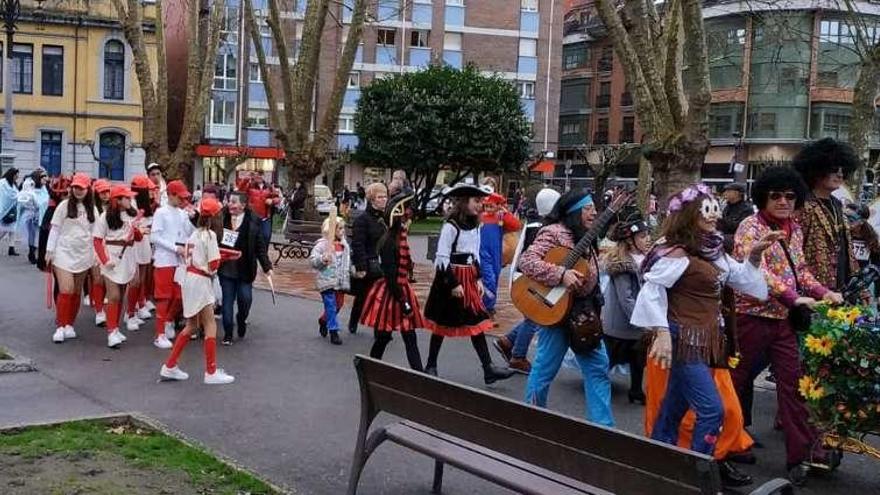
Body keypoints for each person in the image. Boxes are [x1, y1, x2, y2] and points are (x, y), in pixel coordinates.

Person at [631, 183, 777, 463]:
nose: (713, 216)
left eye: (715, 209)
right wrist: (661, 332)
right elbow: (652, 291)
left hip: (704, 338)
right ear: (688, 215)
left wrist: (755, 255)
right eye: (706, 210)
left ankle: (659, 461)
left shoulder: (712, 249)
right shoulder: (676, 253)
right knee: (712, 411)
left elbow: (738, 277)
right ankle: (698, 476)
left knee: (675, 405)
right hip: (683, 339)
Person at [732, 166, 843, 484]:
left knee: (793, 386)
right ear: (763, 196)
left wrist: (824, 292)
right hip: (750, 317)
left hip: (782, 321)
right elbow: (758, 273)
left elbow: (801, 270)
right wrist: (793, 298)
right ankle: (724, 446)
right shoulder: (749, 227)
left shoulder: (794, 228)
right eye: (775, 195)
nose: (783, 201)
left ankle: (801, 455)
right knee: (734, 382)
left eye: (790, 196)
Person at [517, 189, 618, 426]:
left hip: (584, 312)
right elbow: (527, 261)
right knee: (544, 370)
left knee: (598, 368)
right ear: (573, 211)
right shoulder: (553, 232)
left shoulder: (584, 234)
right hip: (556, 313)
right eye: (587, 208)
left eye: (594, 207)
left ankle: (603, 428)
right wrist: (560, 274)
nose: (593, 212)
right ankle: (531, 420)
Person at [423, 184, 514, 385]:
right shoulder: (451, 226)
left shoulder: (476, 225)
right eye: (476, 201)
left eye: (481, 201)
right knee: (442, 322)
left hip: (469, 278)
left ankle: (488, 368)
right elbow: (442, 258)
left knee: (476, 323)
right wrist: (453, 284)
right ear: (464, 202)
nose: (480, 205)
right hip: (450, 280)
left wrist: (478, 278)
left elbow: (475, 255)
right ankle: (430, 364)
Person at [159, 197, 237, 385]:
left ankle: (170, 365)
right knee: (210, 324)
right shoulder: (209, 235)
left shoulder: (194, 235)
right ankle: (210, 371)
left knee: (192, 325)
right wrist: (224, 259)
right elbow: (212, 264)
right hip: (201, 281)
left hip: (189, 279)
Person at [493, 187, 561, 373]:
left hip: (523, 276)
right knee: (534, 318)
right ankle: (518, 356)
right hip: (528, 278)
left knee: (532, 317)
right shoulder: (542, 228)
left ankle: (508, 341)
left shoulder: (534, 224)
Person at [361, 192, 425, 370]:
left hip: (401, 289)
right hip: (392, 293)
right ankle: (370, 367)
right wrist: (402, 300)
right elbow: (390, 275)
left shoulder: (399, 236)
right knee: (383, 336)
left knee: (409, 335)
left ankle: (419, 374)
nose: (407, 216)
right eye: (404, 214)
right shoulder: (389, 241)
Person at [794, 138, 860, 293]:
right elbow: (794, 249)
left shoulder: (837, 204)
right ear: (817, 171)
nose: (840, 174)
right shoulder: (803, 204)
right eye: (833, 169)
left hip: (841, 286)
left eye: (843, 170)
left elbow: (846, 247)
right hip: (812, 289)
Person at [601, 215, 651, 405]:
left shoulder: (646, 259)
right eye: (642, 236)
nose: (647, 239)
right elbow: (626, 298)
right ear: (630, 240)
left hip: (638, 320)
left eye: (647, 235)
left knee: (638, 358)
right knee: (611, 357)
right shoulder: (622, 263)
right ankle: (598, 383)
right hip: (621, 322)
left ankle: (636, 390)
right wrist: (641, 319)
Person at [46, 173, 99, 343]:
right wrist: (49, 250)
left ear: (87, 189)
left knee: (76, 291)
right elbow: (54, 229)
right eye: (75, 187)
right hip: (63, 252)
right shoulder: (63, 206)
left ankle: (70, 324)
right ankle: (60, 326)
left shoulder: (93, 209)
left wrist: (98, 255)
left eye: (81, 188)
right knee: (66, 289)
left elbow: (97, 234)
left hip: (84, 254)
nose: (78, 191)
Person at [217, 191, 273, 345]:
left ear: (243, 205)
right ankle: (228, 333)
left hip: (245, 269)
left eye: (234, 202)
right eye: (229, 201)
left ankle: (241, 319)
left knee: (245, 299)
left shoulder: (253, 221)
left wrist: (267, 266)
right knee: (227, 302)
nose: (230, 205)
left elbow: (260, 247)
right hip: (226, 269)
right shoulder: (221, 217)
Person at [93, 185, 143, 348]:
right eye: (127, 197)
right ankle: (111, 332)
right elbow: (97, 240)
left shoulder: (132, 215)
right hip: (111, 256)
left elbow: (138, 238)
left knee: (121, 295)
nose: (130, 200)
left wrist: (135, 232)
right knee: (113, 295)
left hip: (128, 256)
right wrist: (105, 260)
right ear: (118, 200)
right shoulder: (104, 217)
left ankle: (115, 328)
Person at [151, 180, 195, 349]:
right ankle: (159, 333)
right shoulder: (161, 213)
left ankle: (168, 320)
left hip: (180, 259)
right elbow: (154, 237)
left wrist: (193, 217)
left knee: (179, 295)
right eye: (179, 197)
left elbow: (190, 232)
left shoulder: (183, 213)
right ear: (170, 195)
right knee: (163, 296)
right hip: (164, 259)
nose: (182, 201)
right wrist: (174, 248)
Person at [349, 183, 388, 334]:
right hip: (369, 264)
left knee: (382, 298)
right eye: (380, 197)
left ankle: (380, 329)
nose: (383, 200)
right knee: (362, 296)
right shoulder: (362, 220)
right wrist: (361, 267)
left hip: (383, 264)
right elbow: (358, 244)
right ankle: (354, 320)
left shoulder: (386, 219)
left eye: (385, 196)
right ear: (372, 199)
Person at [309, 216, 352, 345]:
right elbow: (313, 261)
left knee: (338, 305)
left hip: (340, 281)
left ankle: (323, 320)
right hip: (326, 279)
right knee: (331, 306)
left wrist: (353, 271)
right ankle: (334, 331)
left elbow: (347, 262)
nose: (342, 231)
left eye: (343, 228)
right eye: (339, 228)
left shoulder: (344, 245)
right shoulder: (322, 245)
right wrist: (322, 259)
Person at [479, 193, 522, 320]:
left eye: (491, 206)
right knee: (489, 279)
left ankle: (488, 306)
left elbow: (516, 226)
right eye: (486, 206)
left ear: (498, 206)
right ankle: (486, 307)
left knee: (495, 279)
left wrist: (506, 213)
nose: (488, 209)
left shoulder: (500, 218)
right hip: (483, 253)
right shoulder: (480, 217)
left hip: (496, 254)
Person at [125, 175, 158, 332]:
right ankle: (129, 313)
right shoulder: (130, 205)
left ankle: (137, 307)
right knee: (135, 280)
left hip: (144, 243)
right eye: (148, 190)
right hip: (133, 245)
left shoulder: (148, 206)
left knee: (142, 278)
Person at [87, 179, 112, 326]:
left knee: (108, 279)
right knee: (97, 279)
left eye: (107, 191)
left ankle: (105, 304)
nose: (105, 194)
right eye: (102, 192)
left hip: (111, 246)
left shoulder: (114, 207)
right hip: (94, 244)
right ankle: (99, 311)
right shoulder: (92, 208)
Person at [17, 169, 49, 264]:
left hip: (41, 215)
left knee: (38, 236)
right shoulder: (30, 188)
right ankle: (32, 253)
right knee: (33, 235)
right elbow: (24, 200)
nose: (46, 179)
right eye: (44, 177)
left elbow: (46, 199)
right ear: (38, 178)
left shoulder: (44, 188)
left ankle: (34, 253)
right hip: (31, 216)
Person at [238, 175, 281, 242]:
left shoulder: (269, 187)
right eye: (257, 174)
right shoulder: (250, 185)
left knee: (266, 236)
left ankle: (263, 252)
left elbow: (277, 198)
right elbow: (240, 190)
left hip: (265, 217)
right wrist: (246, 179)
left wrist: (272, 201)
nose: (259, 176)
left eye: (261, 174)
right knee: (251, 238)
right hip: (252, 217)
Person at [719, 183, 754, 253]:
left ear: (736, 193)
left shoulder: (747, 209)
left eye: (728, 191)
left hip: (738, 244)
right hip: (724, 242)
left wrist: (721, 220)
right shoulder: (727, 207)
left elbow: (741, 228)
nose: (725, 193)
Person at [0, 167, 21, 256]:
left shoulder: (13, 184)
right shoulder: (2, 183)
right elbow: (6, 196)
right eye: (16, 175)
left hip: (13, 209)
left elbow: (16, 195)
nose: (17, 177)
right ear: (12, 175)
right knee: (3, 230)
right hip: (4, 209)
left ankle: (11, 249)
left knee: (12, 230)